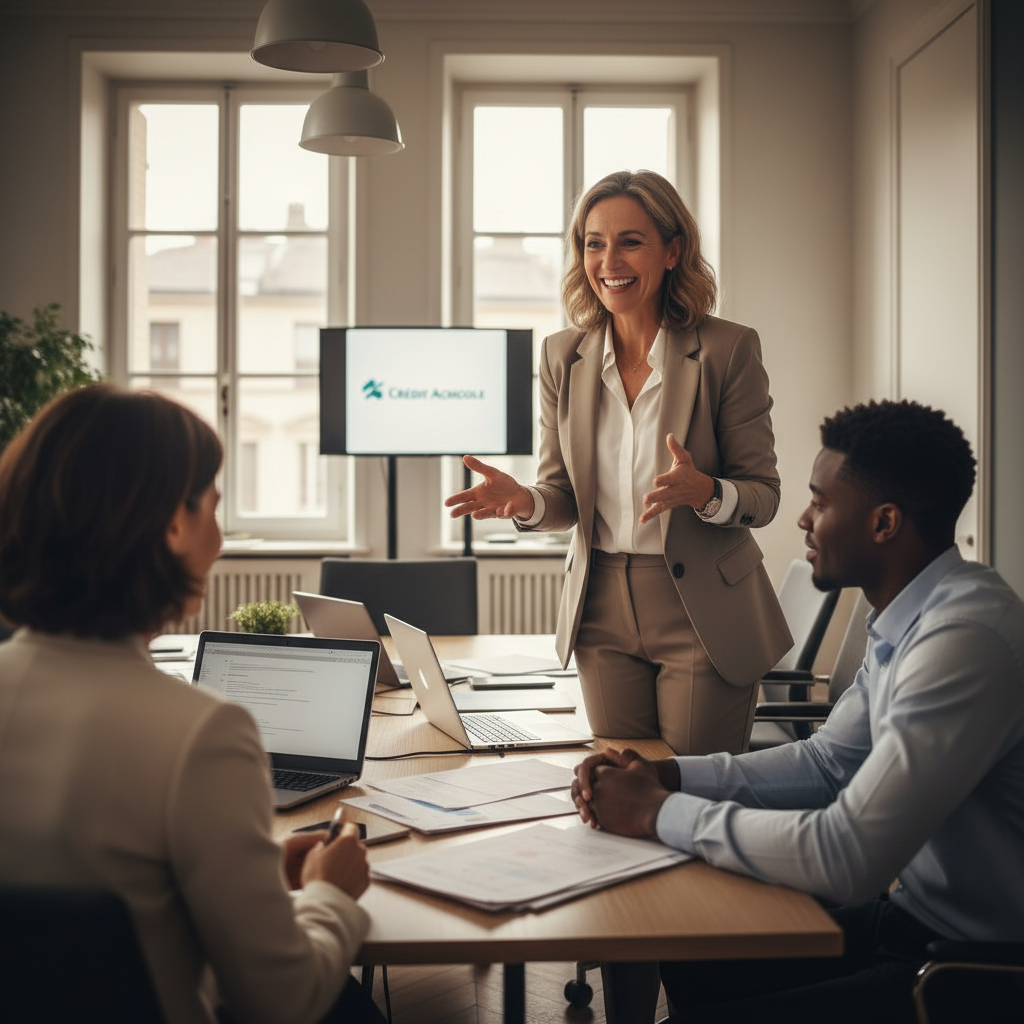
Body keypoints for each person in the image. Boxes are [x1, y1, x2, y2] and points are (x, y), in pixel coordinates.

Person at [572, 399, 1024, 1023]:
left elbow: (847, 857)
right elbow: (827, 765)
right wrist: (671, 776)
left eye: (821, 501)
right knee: (686, 953)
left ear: (884, 523)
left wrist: (658, 813)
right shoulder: (908, 616)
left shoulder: (965, 640)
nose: (805, 519)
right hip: (910, 920)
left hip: (971, 971)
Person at [0, 385, 384, 1024]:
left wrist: (248, 871)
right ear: (172, 525)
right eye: (214, 508)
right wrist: (328, 892)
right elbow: (282, 1002)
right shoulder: (201, 734)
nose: (220, 540)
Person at [445, 170, 792, 756]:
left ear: (673, 250)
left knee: (692, 789)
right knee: (616, 786)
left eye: (631, 240)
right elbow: (562, 495)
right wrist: (526, 502)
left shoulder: (728, 350)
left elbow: (763, 494)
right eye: (593, 243)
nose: (610, 260)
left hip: (702, 607)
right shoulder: (563, 356)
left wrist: (706, 491)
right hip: (600, 603)